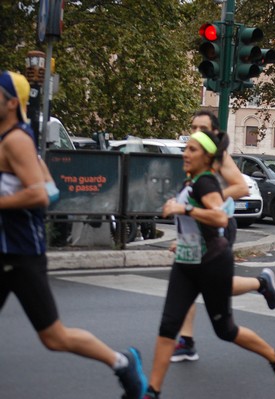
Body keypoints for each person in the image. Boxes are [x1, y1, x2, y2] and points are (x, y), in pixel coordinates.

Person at [0, 70, 147, 398]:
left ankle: (122, 363)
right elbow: (41, 188)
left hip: (21, 254)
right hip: (6, 249)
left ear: (11, 102)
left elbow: (41, 194)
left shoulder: (17, 140)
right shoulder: (8, 138)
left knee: (54, 337)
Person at [143, 130, 275, 398]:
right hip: (187, 263)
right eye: (185, 149)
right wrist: (184, 239)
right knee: (168, 326)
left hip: (212, 263)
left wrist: (184, 209)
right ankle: (152, 391)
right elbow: (199, 225)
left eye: (191, 149)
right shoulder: (191, 182)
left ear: (206, 156)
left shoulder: (206, 183)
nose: (185, 154)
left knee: (226, 330)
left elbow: (219, 218)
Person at [170, 110, 275, 363]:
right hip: (198, 227)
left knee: (212, 285)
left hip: (218, 227)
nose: (197, 132)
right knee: (192, 281)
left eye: (203, 128)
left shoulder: (219, 157)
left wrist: (211, 199)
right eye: (193, 127)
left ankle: (261, 284)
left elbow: (241, 187)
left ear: (216, 133)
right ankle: (185, 340)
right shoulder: (194, 156)